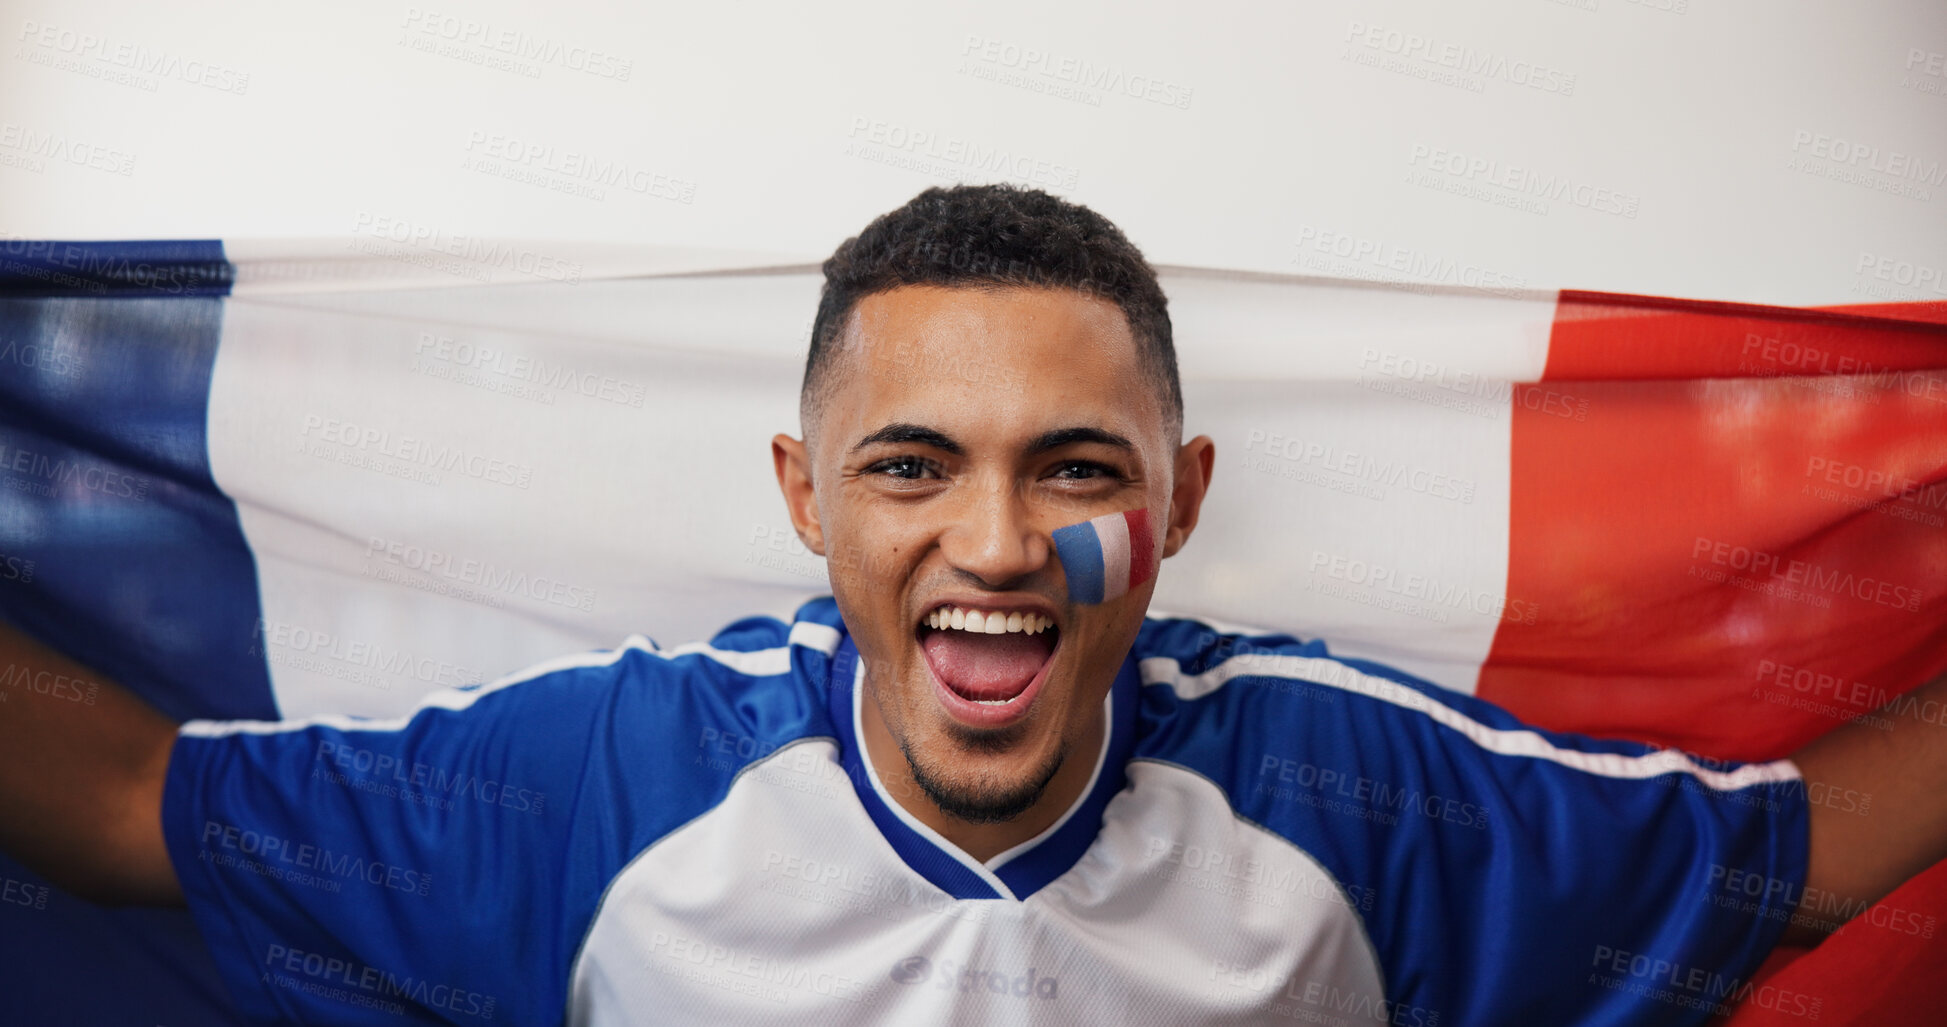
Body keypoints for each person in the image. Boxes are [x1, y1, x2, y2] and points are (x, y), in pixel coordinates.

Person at [0, 183, 1940, 1025]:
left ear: (1178, 503)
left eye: (1075, 470)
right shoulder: (604, 787)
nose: (997, 546)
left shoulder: (1347, 795)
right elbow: (123, 807)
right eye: (912, 466)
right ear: (807, 498)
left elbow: (1802, 862)